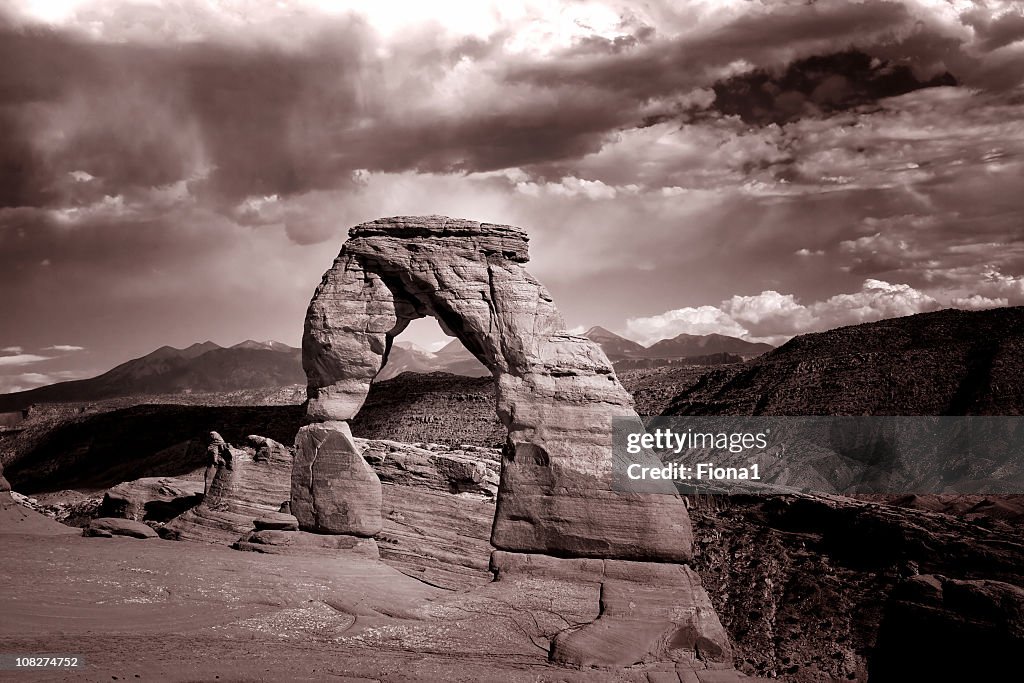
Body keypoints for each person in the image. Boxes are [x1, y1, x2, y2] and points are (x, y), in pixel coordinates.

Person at [203, 431, 232, 497]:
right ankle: (206, 495)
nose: (211, 436)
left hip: (216, 465)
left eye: (212, 435)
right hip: (212, 464)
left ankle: (208, 495)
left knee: (212, 480)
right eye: (211, 435)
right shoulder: (212, 444)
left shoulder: (220, 443)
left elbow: (222, 451)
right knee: (208, 479)